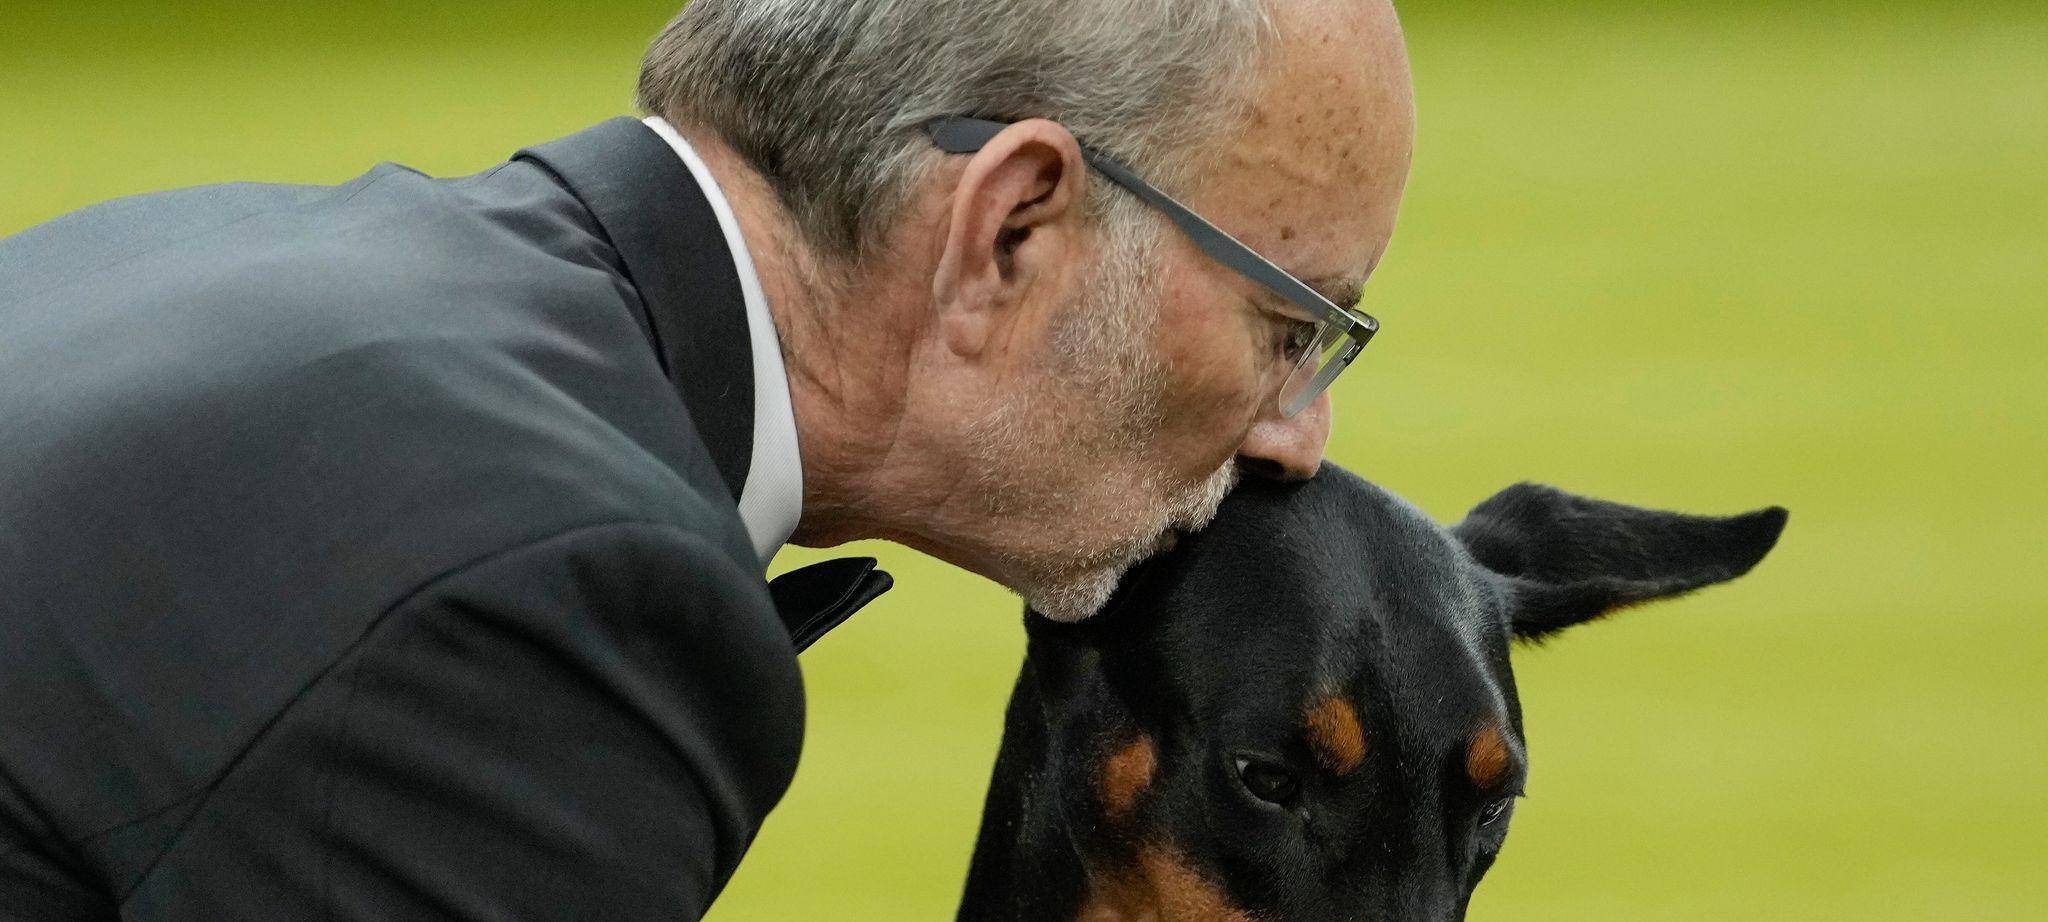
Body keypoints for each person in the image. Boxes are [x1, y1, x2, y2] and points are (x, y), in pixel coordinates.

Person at [0, 0, 1414, 918]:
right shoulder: (558, 582)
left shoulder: (208, 248)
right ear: (1013, 232)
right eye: (1287, 326)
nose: (1298, 433)